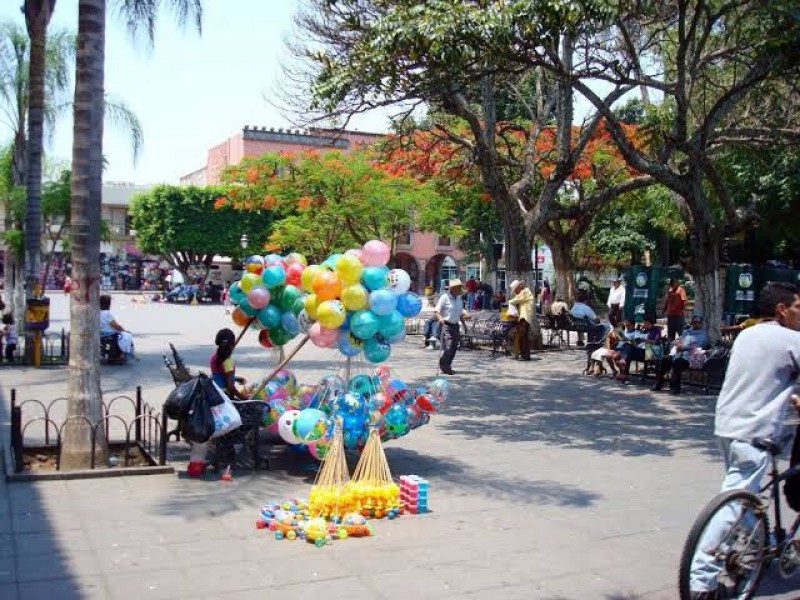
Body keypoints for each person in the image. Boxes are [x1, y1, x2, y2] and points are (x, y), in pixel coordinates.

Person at [688, 282, 800, 599]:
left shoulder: (748, 334)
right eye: (798, 308)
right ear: (782, 309)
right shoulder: (792, 340)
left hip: (727, 426)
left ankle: (755, 543)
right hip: (756, 432)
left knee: (743, 497)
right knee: (733, 503)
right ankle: (702, 580)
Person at [208, 328, 263, 475]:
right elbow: (231, 387)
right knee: (253, 412)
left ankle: (221, 451)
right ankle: (233, 454)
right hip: (226, 400)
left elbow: (220, 376)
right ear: (232, 344)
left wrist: (235, 377)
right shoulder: (228, 361)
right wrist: (244, 398)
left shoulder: (214, 357)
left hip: (215, 396)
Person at [652, 314, 709, 394]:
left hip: (690, 357)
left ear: (701, 323)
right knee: (665, 359)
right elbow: (677, 340)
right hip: (677, 353)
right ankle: (658, 384)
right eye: (694, 322)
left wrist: (683, 348)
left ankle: (675, 388)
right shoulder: (686, 332)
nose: (696, 324)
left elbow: (698, 347)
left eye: (698, 322)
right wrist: (677, 343)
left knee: (678, 362)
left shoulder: (703, 335)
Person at [435, 278, 471, 375]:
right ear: (452, 288)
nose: (460, 290)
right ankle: (444, 365)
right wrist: (440, 319)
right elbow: (436, 311)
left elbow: (460, 313)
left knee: (454, 347)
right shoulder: (444, 297)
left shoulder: (459, 299)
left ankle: (447, 365)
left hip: (455, 326)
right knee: (449, 346)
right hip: (446, 325)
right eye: (459, 288)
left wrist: (465, 324)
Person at [614, 316, 661, 383]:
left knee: (627, 351)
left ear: (649, 323)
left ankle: (624, 373)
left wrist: (645, 340)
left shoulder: (656, 330)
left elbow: (656, 342)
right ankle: (625, 374)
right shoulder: (643, 330)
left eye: (644, 323)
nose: (643, 324)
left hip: (649, 351)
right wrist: (634, 342)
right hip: (640, 350)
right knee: (628, 348)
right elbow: (637, 342)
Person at [508, 280, 534, 361]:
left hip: (525, 318)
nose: (515, 292)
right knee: (523, 337)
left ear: (518, 287)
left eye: (515, 290)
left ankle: (525, 355)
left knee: (523, 337)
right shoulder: (523, 292)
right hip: (523, 318)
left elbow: (515, 300)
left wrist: (508, 302)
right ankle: (524, 355)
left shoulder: (525, 292)